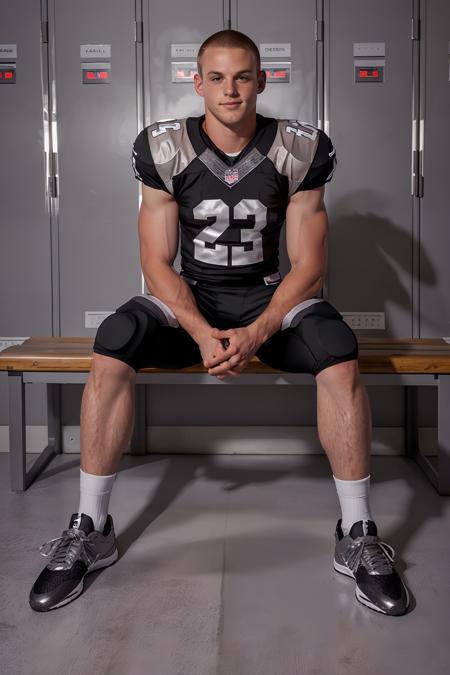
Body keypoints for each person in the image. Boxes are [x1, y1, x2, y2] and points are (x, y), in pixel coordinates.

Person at [29, 29, 409, 616]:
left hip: (267, 296)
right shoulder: (163, 148)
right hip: (192, 298)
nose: (230, 90)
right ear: (197, 81)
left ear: (262, 79)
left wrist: (257, 333)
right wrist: (204, 333)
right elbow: (155, 264)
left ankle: (357, 535)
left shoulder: (298, 147)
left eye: (242, 76)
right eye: (217, 77)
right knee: (114, 342)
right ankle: (90, 527)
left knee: (337, 348)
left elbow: (309, 265)